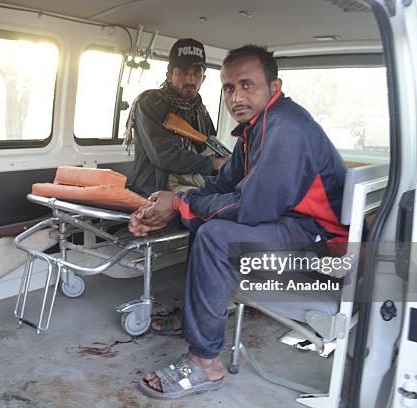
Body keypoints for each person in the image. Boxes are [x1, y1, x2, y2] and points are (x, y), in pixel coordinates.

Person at [129, 45, 349, 399]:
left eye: (248, 85)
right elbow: (221, 185)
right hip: (296, 227)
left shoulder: (286, 127)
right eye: (229, 88)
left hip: (322, 247)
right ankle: (192, 314)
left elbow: (251, 207)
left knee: (215, 234)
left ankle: (204, 363)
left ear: (274, 88)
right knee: (204, 222)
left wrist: (181, 202)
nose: (236, 96)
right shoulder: (255, 129)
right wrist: (171, 209)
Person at [125, 38, 229, 197]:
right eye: (182, 72)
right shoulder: (150, 103)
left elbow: (208, 146)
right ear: (169, 75)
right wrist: (214, 164)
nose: (190, 79)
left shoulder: (200, 110)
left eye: (196, 73)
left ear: (204, 77)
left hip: (188, 190)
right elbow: (165, 156)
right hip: (153, 193)